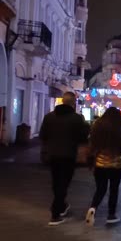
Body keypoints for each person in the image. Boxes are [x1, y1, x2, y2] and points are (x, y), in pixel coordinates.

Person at [39, 92, 89, 226]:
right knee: (64, 183)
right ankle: (55, 214)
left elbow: (43, 135)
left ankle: (61, 206)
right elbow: (83, 137)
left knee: (56, 182)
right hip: (68, 155)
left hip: (52, 155)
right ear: (73, 103)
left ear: (62, 101)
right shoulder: (77, 119)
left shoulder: (49, 117)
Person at [86, 107, 121, 226]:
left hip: (100, 164)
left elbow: (91, 145)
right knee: (114, 190)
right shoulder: (120, 127)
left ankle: (93, 208)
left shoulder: (97, 125)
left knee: (100, 189)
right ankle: (111, 215)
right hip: (116, 165)